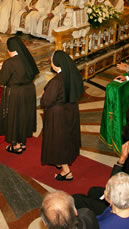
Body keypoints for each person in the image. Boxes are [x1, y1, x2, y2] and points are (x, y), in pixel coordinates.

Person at [41, 50, 84, 181]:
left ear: (57, 64)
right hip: (70, 110)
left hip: (57, 115)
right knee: (67, 137)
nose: (50, 63)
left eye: (51, 61)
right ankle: (60, 161)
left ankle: (66, 171)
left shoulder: (56, 81)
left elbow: (46, 101)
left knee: (59, 140)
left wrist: (44, 94)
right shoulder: (72, 74)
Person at [0, 37, 39, 154]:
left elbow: (2, 80)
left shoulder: (9, 63)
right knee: (24, 116)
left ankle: (15, 145)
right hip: (29, 91)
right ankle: (22, 142)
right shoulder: (28, 59)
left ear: (10, 49)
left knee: (14, 118)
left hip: (16, 93)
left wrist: (0, 69)